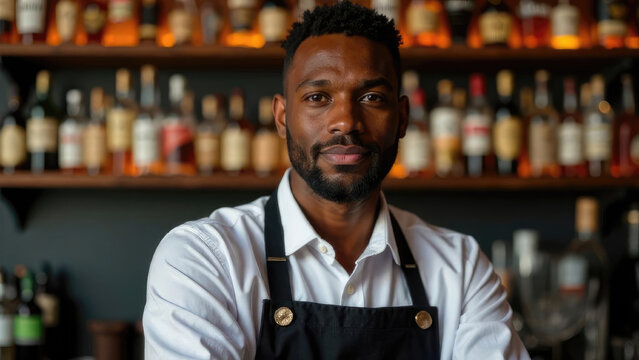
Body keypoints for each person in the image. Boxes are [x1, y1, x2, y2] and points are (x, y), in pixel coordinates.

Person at [143, 2, 529, 359]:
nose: (345, 121)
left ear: (403, 118)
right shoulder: (205, 258)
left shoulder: (460, 267)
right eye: (317, 97)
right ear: (281, 118)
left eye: (372, 97)